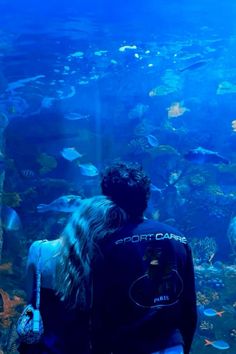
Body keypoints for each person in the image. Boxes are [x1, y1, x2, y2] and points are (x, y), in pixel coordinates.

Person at [91, 161, 197, 354]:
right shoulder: (177, 239)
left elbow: (100, 311)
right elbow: (189, 305)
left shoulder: (106, 245)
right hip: (173, 346)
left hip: (129, 345)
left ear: (108, 201)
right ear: (146, 197)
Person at [18, 195, 126, 354]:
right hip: (83, 346)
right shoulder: (105, 262)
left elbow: (30, 298)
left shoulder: (38, 249)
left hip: (42, 345)